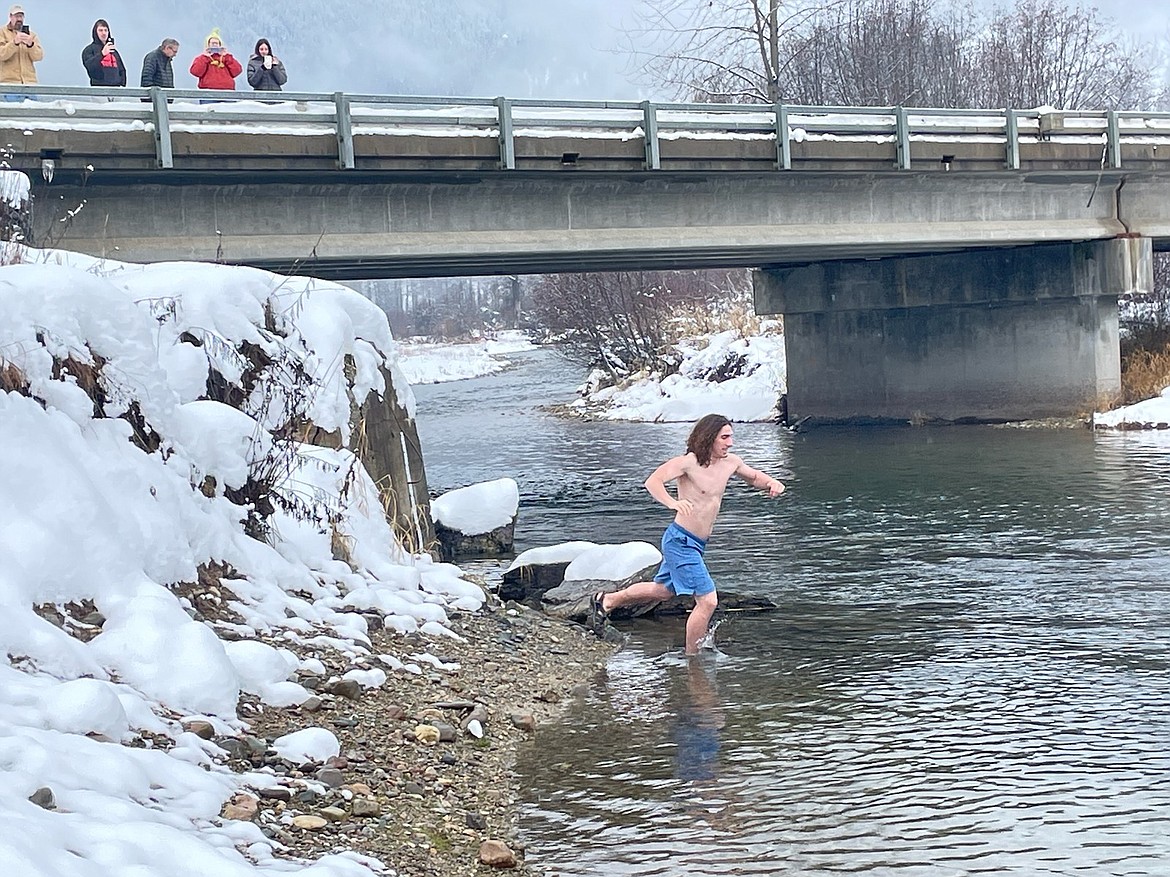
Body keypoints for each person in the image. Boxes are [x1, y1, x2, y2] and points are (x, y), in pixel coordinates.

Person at [590, 413, 785, 655]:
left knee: (663, 591)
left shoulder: (731, 463)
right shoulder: (688, 463)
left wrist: (772, 483)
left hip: (697, 544)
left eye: (731, 437)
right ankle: (693, 658)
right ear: (709, 437)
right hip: (680, 540)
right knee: (707, 601)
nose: (730, 443)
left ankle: (606, 600)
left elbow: (754, 477)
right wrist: (672, 503)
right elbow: (653, 481)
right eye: (725, 437)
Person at [0, 4, 42, 89]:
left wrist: (31, 45)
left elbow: (39, 56)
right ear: (10, 17)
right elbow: (2, 55)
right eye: (16, 16)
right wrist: (14, 43)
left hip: (30, 84)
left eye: (21, 16)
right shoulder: (2, 33)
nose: (19, 19)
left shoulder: (32, 35)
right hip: (9, 84)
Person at [81, 19, 126, 88]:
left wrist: (122, 84)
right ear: (95, 32)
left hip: (117, 90)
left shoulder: (114, 52)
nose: (104, 33)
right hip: (99, 90)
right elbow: (90, 67)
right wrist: (102, 54)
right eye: (100, 30)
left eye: (105, 30)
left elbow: (122, 69)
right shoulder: (89, 50)